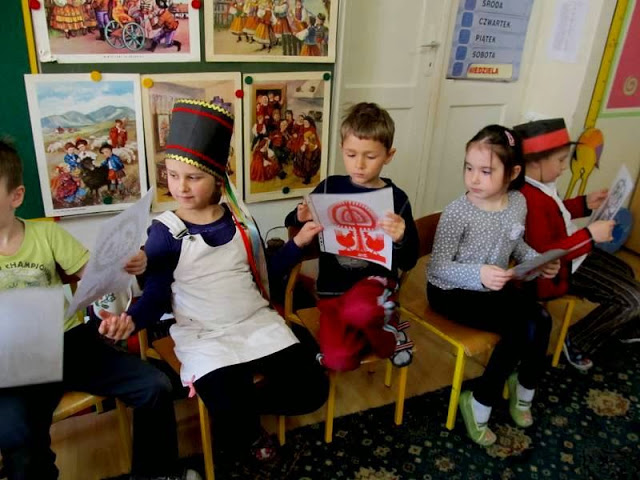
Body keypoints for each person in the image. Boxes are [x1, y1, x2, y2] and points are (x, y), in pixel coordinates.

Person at [101, 99, 329, 464]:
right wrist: (131, 321)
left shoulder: (240, 221)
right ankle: (245, 426)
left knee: (313, 389)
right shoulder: (165, 233)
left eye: (193, 177)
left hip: (256, 323)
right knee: (228, 398)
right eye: (172, 175)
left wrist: (297, 243)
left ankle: (240, 414)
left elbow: (266, 273)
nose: (181, 187)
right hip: (206, 336)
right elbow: (156, 297)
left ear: (218, 177)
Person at [0, 139, 199, 480]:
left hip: (68, 342)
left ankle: (155, 474)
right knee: (16, 435)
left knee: (154, 385)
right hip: (11, 359)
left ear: (16, 196)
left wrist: (132, 264)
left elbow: (98, 277)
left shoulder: (46, 235)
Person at [426, 125, 561, 446]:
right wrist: (479, 274)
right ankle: (479, 401)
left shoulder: (517, 203)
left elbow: (516, 245)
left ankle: (523, 386)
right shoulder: (457, 212)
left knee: (542, 320)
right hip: (450, 291)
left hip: (492, 289)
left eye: (485, 171)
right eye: (469, 168)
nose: (474, 178)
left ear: (512, 173)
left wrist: (538, 260)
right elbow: (438, 267)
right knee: (517, 329)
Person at [285, 102, 418, 371]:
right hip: (333, 294)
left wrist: (400, 238)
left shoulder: (397, 199)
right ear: (341, 149)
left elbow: (410, 260)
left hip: (375, 287)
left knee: (359, 310)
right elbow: (292, 222)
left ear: (389, 155)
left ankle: (388, 333)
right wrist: (300, 216)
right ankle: (381, 326)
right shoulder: (329, 187)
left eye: (370, 156)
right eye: (351, 154)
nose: (359, 164)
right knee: (338, 361)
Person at [515, 118, 640, 370]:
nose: (565, 167)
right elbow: (547, 253)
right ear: (536, 161)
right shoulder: (529, 197)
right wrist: (590, 235)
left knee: (626, 271)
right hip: (558, 270)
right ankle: (577, 339)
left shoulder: (540, 186)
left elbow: (556, 214)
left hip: (575, 252)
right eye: (561, 160)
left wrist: (584, 203)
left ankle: (621, 326)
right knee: (633, 300)